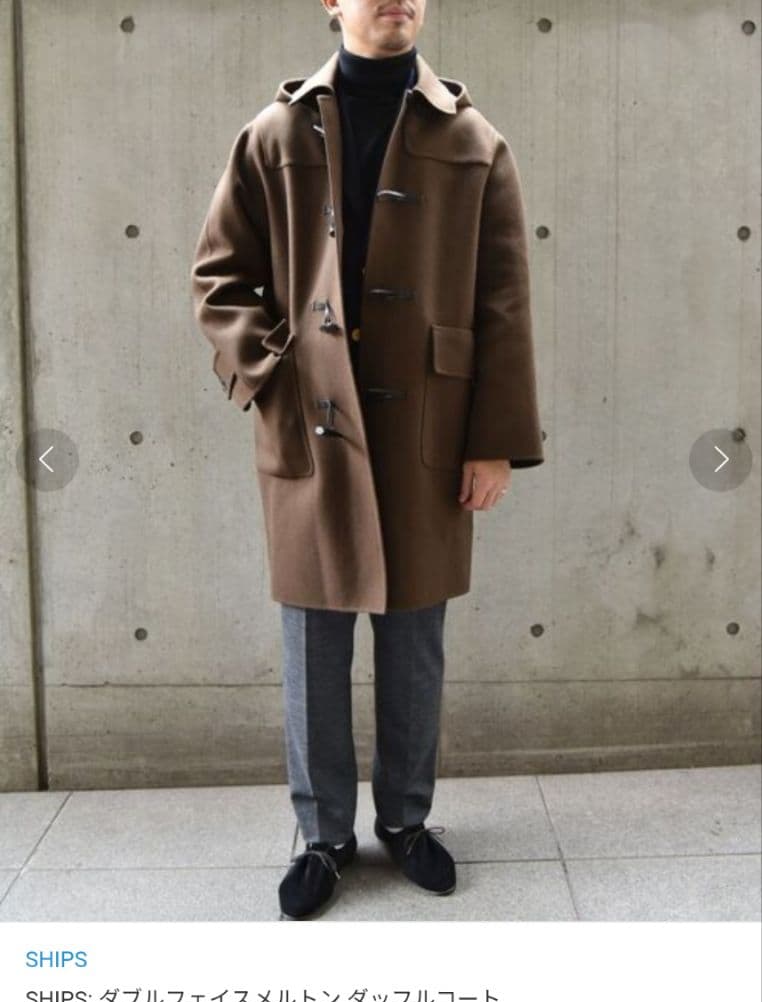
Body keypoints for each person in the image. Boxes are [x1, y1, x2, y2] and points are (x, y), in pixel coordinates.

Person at [190, 0, 544, 920]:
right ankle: (323, 836)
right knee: (313, 638)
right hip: (310, 421)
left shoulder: (473, 141)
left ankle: (408, 822)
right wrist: (270, 374)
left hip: (430, 422)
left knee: (414, 636)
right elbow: (220, 275)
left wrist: (494, 441)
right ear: (331, 1)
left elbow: (504, 299)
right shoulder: (274, 135)